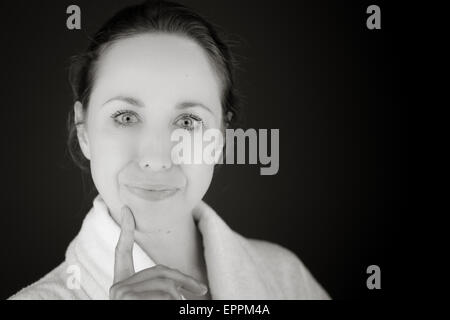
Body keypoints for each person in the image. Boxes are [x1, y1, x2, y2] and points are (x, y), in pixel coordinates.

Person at [9, 0, 330, 300]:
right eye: (126, 117)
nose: (157, 159)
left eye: (188, 122)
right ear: (83, 131)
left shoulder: (287, 278)